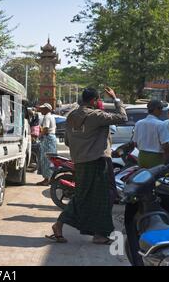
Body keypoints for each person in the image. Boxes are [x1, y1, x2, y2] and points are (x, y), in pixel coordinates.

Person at [46, 87, 127, 245]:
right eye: (98, 100)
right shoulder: (96, 115)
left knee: (83, 196)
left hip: (81, 162)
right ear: (93, 101)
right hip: (98, 160)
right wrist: (115, 99)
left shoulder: (71, 116)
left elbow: (68, 141)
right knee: (104, 196)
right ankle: (99, 234)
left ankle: (60, 225)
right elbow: (123, 117)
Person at [133, 100, 169, 168]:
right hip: (156, 158)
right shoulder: (161, 124)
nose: (162, 110)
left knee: (143, 177)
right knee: (157, 178)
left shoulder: (139, 123)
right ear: (155, 109)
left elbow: (135, 143)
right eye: (160, 108)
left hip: (141, 156)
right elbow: (165, 145)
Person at [36, 103, 57, 186]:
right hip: (51, 138)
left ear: (47, 109)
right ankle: (49, 178)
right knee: (51, 159)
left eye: (43, 108)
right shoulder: (51, 116)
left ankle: (46, 179)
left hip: (48, 138)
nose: (41, 110)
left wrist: (39, 136)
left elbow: (46, 129)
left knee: (46, 159)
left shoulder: (47, 117)